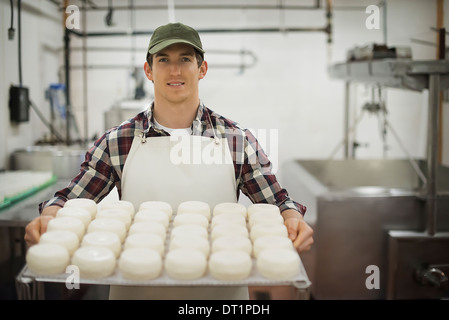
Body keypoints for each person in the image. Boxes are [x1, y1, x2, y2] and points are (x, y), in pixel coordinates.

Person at [24, 22, 313, 299]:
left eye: (185, 59)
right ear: (149, 70)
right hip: (135, 290)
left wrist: (291, 217)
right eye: (163, 60)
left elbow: (277, 203)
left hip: (218, 294)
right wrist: (51, 214)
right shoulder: (118, 141)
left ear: (202, 69)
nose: (175, 70)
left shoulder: (235, 140)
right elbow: (71, 200)